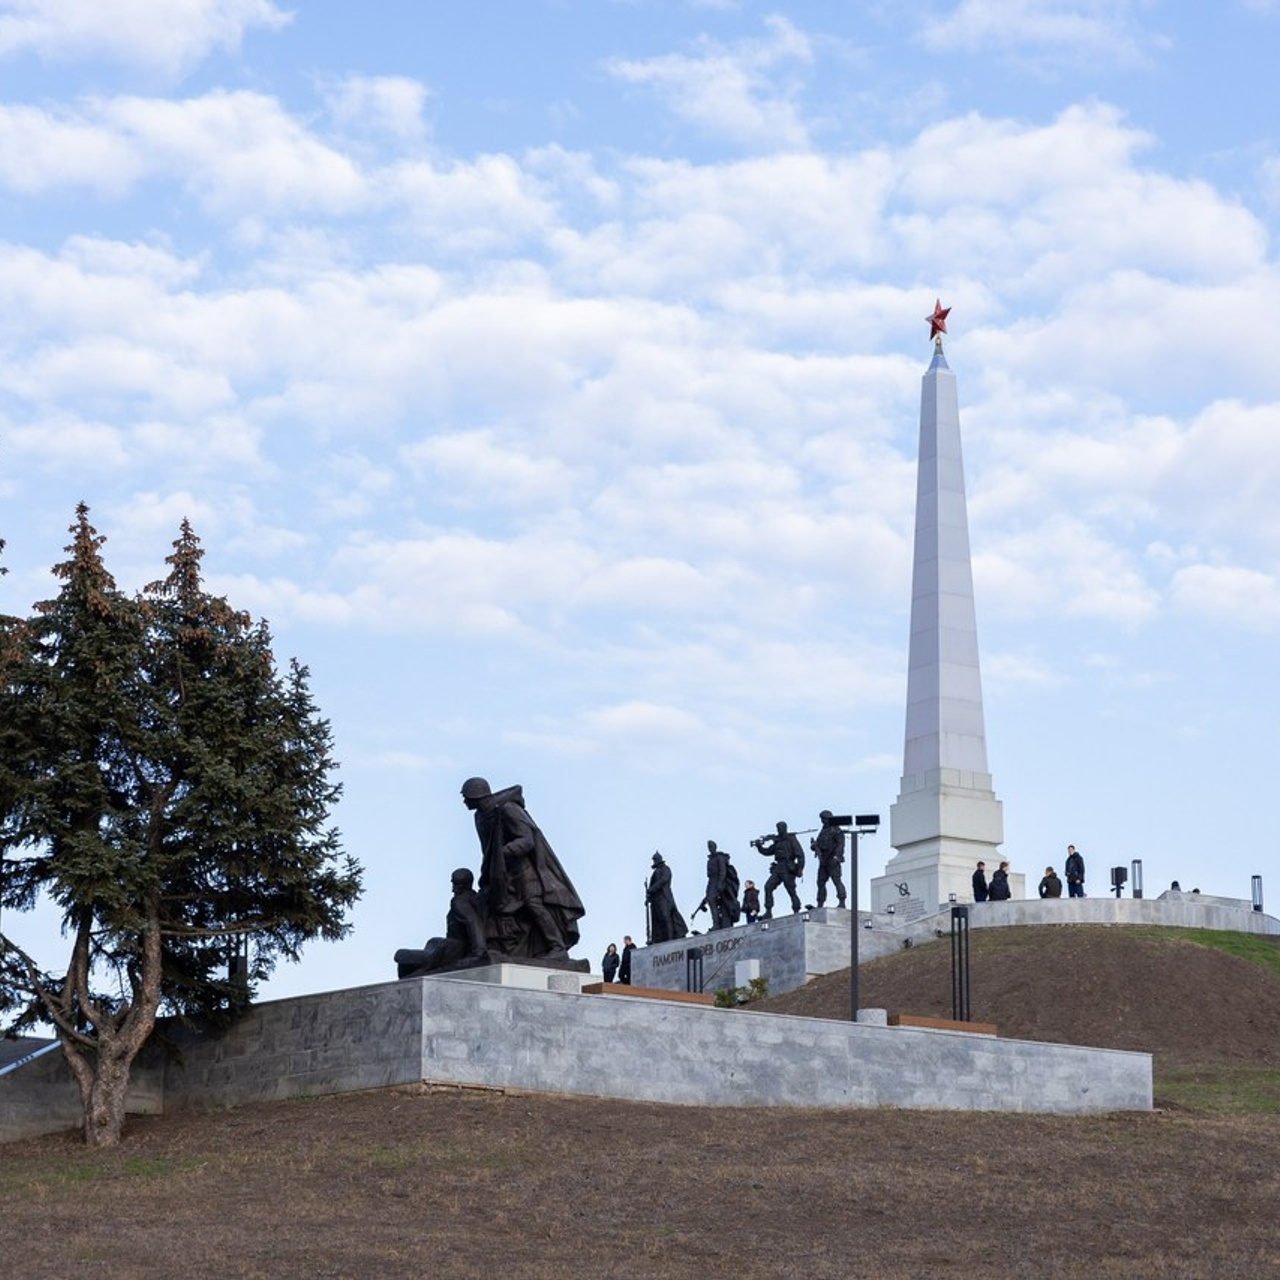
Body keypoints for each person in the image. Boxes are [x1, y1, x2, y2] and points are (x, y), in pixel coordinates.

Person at [461, 776, 585, 961]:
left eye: (466, 797)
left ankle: (557, 947)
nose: (464, 801)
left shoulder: (507, 809)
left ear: (476, 795)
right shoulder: (480, 816)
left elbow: (527, 840)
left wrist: (503, 853)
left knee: (533, 905)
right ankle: (491, 948)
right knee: (491, 904)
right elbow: (487, 849)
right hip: (502, 872)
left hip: (524, 870)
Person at [394, 867, 490, 978]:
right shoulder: (474, 897)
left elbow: (472, 922)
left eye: (458, 885)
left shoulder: (459, 902)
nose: (453, 890)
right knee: (432, 941)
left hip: (454, 949)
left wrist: (479, 951)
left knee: (402, 955)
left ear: (466, 885)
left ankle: (411, 977)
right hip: (450, 946)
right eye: (453, 884)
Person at [755, 820, 804, 918]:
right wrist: (759, 847)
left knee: (791, 890)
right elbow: (768, 851)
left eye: (781, 828)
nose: (779, 830)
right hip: (778, 867)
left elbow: (800, 855)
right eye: (778, 828)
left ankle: (796, 909)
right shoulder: (778, 841)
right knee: (768, 887)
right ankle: (768, 911)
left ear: (785, 828)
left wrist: (800, 868)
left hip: (788, 866)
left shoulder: (791, 840)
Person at [695, 840, 741, 931]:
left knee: (714, 901)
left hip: (719, 882)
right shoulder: (710, 860)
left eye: (711, 846)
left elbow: (722, 872)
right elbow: (709, 876)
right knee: (710, 901)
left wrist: (720, 883)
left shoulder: (720, 857)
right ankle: (716, 924)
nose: (710, 848)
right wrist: (708, 890)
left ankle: (716, 924)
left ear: (715, 847)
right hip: (712, 883)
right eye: (709, 847)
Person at [646, 852, 688, 943]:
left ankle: (670, 938)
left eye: (655, 859)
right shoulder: (654, 873)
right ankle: (662, 939)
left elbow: (664, 880)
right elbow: (651, 887)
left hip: (664, 898)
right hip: (656, 900)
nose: (654, 861)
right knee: (659, 921)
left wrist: (652, 889)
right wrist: (648, 896)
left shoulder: (666, 869)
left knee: (667, 918)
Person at [812, 810, 847, 909]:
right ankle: (820, 903)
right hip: (823, 860)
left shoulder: (836, 830)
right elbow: (819, 844)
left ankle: (842, 901)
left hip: (833, 859)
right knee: (820, 882)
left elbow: (841, 845)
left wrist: (836, 857)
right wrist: (814, 846)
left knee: (836, 880)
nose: (823, 821)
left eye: (824, 819)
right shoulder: (823, 831)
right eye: (822, 819)